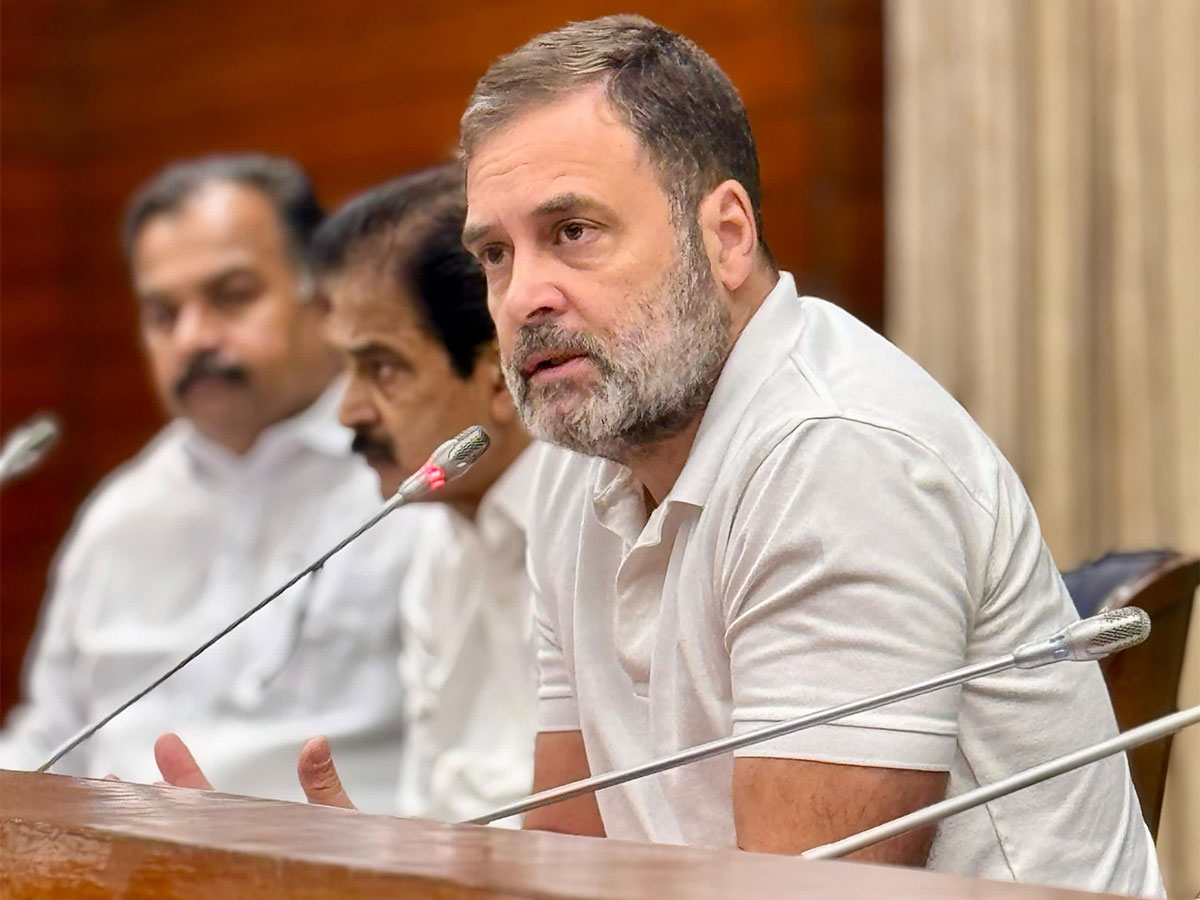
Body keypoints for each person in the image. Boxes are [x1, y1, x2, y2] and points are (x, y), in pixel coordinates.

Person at [457, 15, 1163, 894]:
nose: (522, 296)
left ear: (725, 235)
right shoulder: (580, 461)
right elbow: (563, 858)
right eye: (494, 253)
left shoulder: (837, 454)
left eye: (572, 232)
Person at [0, 154, 418, 813]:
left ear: (324, 294)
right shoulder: (118, 516)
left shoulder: (414, 484)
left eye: (232, 296)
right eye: (163, 314)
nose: (193, 337)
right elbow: (49, 738)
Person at [154, 163, 543, 823]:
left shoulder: (595, 531)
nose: (349, 411)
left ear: (500, 381)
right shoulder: (437, 542)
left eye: (382, 368)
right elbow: (439, 828)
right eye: (348, 369)